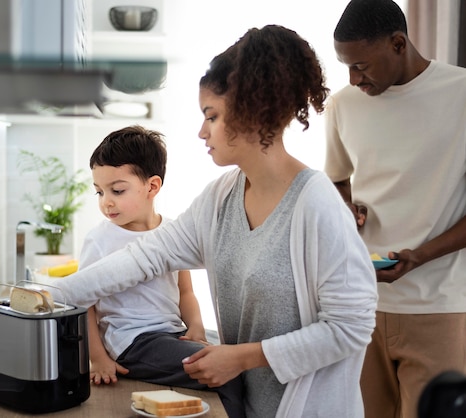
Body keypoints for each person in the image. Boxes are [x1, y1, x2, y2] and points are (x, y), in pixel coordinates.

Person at [52, 25, 377, 417]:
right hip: (251, 405)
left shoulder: (318, 205)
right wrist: (50, 298)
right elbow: (145, 257)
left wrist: (242, 357)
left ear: (254, 112)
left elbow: (351, 328)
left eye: (212, 116)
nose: (202, 131)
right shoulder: (222, 197)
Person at [324, 1, 466, 417]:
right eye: (346, 67)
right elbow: (337, 179)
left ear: (399, 44)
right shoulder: (343, 104)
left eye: (362, 66)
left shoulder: (461, 93)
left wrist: (420, 256)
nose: (354, 79)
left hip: (439, 306)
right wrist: (346, 208)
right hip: (359, 302)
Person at [81, 125, 245, 418]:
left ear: (152, 186)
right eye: (100, 191)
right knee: (227, 372)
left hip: (171, 333)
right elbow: (85, 304)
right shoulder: (99, 240)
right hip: (132, 342)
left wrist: (195, 326)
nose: (106, 201)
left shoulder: (172, 232)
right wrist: (98, 358)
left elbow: (185, 291)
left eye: (117, 190)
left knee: (236, 357)